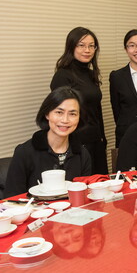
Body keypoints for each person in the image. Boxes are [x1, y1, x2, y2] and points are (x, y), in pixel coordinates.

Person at [4, 87, 92, 197]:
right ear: (47, 114)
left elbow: (84, 196)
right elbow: (12, 199)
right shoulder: (24, 152)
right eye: (59, 112)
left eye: (72, 114)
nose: (65, 120)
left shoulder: (82, 154)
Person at [50, 27, 107, 174]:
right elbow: (60, 116)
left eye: (91, 46)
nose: (87, 50)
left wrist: (102, 138)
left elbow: (96, 109)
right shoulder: (63, 76)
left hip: (96, 141)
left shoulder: (90, 74)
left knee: (99, 187)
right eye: (81, 45)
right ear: (71, 47)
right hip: (76, 144)